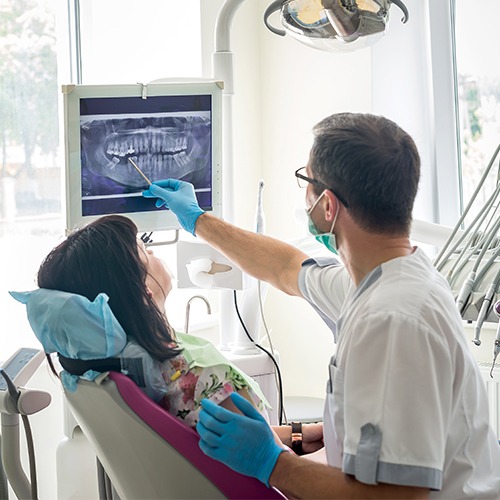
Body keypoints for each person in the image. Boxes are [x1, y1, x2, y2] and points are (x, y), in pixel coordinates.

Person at [142, 112, 500, 499]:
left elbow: (398, 496)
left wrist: (273, 463)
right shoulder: (386, 278)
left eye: (306, 180)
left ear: (328, 206)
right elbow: (284, 267)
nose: (305, 193)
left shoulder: (392, 319)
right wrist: (198, 221)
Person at [14, 215, 270, 428]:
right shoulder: (204, 379)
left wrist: (298, 433)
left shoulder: (103, 374)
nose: (153, 251)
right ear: (143, 291)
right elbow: (271, 461)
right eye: (145, 252)